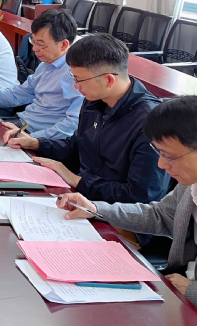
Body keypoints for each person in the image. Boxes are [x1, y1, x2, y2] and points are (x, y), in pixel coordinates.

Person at [57, 96, 197, 305]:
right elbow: (160, 215)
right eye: (159, 153)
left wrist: (192, 291)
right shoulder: (190, 184)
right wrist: (95, 209)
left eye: (169, 156)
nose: (161, 164)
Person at [5, 33, 167, 204]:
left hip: (110, 211)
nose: (76, 86)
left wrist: (76, 180)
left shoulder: (152, 123)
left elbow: (140, 196)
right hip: (80, 195)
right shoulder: (95, 100)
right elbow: (78, 146)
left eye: (79, 80)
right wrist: (36, 143)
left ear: (109, 80)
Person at [0, 8, 83, 140]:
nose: (34, 49)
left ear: (63, 45)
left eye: (41, 45)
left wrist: (33, 139)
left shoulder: (76, 74)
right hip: (21, 125)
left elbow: (73, 124)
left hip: (41, 138)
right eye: (33, 42)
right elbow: (17, 94)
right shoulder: (45, 65)